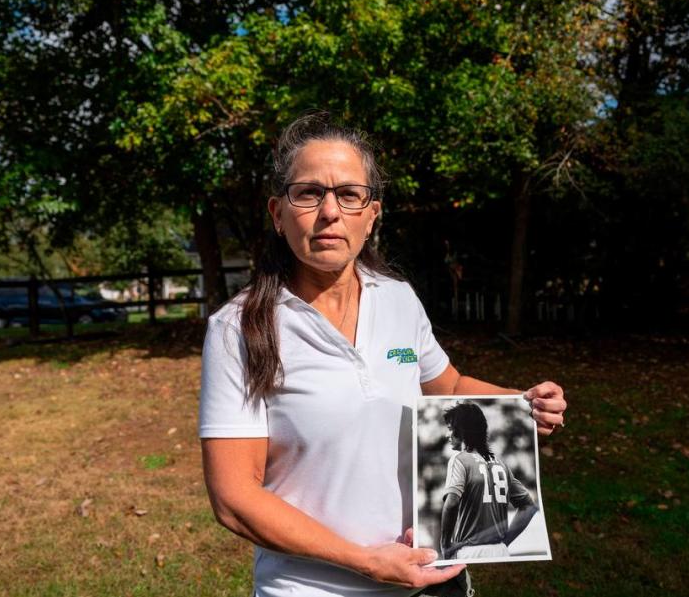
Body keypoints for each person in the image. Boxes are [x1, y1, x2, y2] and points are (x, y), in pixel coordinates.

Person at [199, 113, 567, 597]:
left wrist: (522, 403)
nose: (329, 211)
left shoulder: (397, 298)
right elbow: (234, 499)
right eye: (308, 193)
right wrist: (366, 562)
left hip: (435, 577)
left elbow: (448, 387)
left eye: (349, 195)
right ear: (277, 213)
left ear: (371, 214)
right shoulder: (238, 328)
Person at [439, 402, 540, 561]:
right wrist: (505, 542)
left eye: (450, 429)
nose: (447, 435)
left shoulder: (459, 459)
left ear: (462, 430)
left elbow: (451, 502)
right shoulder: (500, 463)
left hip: (469, 551)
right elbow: (529, 507)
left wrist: (445, 544)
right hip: (500, 551)